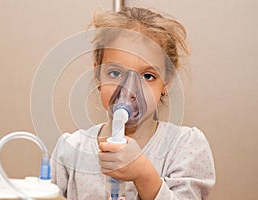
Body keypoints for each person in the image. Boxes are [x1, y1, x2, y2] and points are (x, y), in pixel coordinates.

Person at [51, 7, 215, 200]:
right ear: (98, 74)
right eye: (115, 73)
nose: (129, 91)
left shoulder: (186, 146)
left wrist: (143, 174)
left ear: (167, 82)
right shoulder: (70, 150)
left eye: (147, 76)